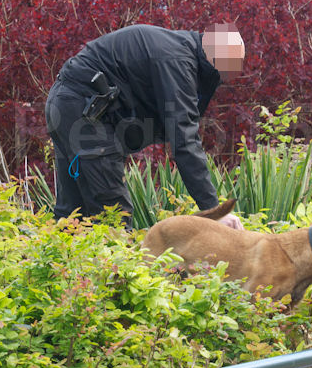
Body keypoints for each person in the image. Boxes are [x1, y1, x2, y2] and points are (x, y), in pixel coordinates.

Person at [45, 23, 245, 230]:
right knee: (114, 216)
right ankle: (114, 262)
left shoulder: (179, 51)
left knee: (72, 217)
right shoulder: (177, 61)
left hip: (66, 104)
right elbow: (184, 140)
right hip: (83, 110)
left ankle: (60, 260)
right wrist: (214, 211)